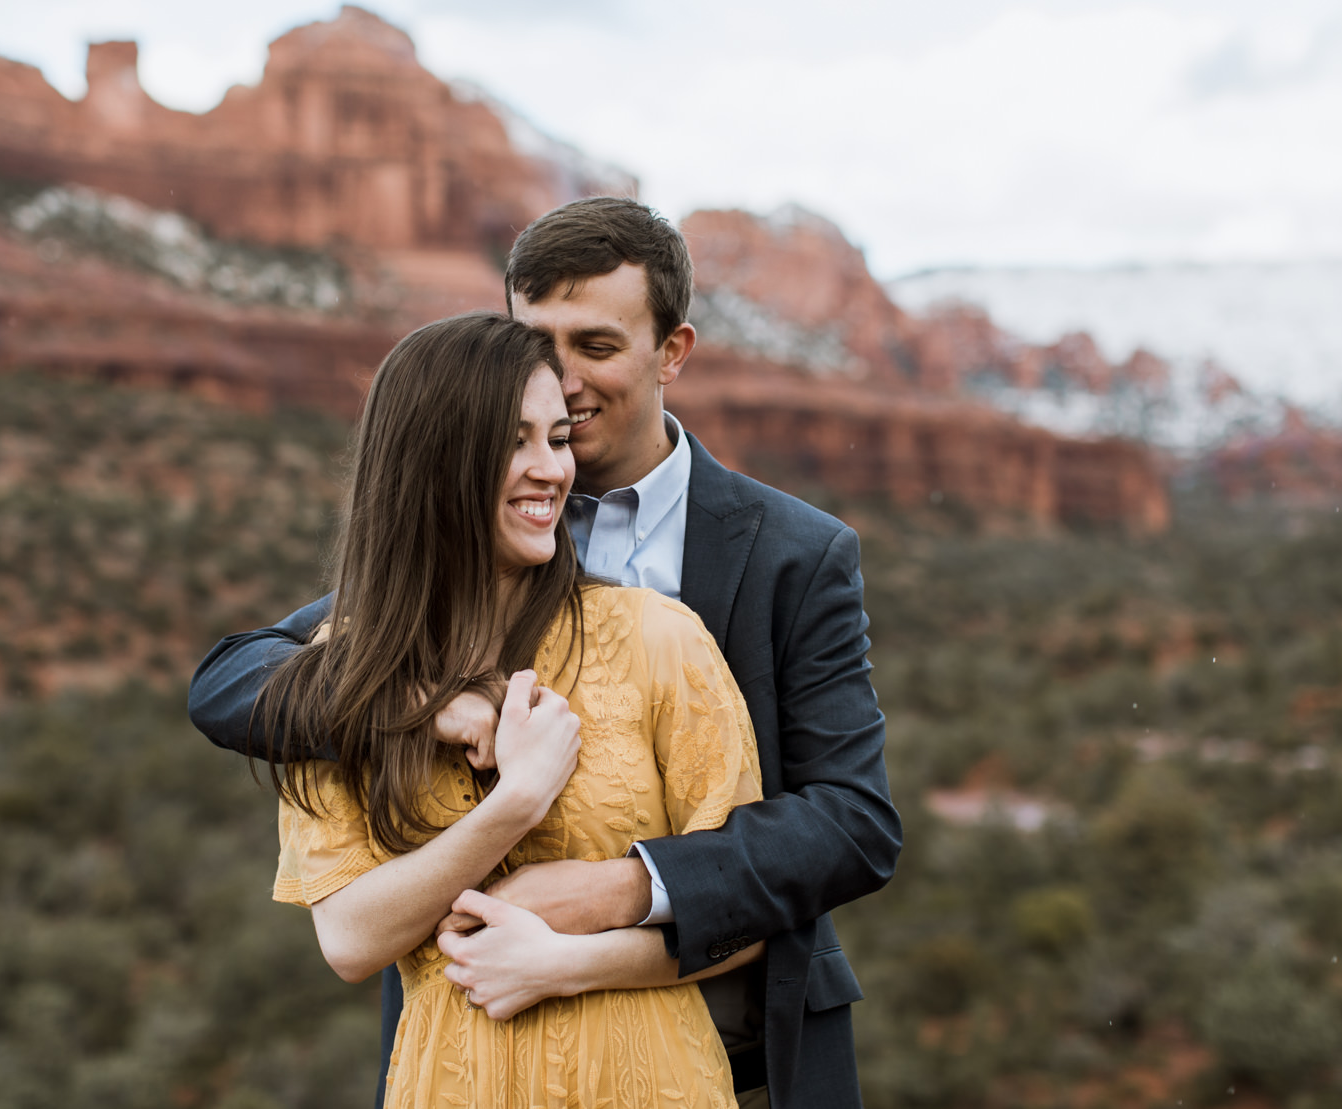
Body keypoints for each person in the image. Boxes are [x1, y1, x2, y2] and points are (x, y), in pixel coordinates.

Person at [192, 197, 901, 1109]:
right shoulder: (471, 542)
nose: (560, 380)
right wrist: (425, 702)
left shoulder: (792, 553)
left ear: (672, 353)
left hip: (743, 1046)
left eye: (596, 347)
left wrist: (618, 891)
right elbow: (234, 681)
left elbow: (850, 820)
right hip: (479, 1045)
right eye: (538, 343)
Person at [257, 312, 765, 1108]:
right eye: (514, 441)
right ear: (432, 459)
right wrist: (515, 804)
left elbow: (744, 913)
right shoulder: (344, 670)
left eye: (558, 438)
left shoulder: (658, 641)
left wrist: (570, 961)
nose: (550, 470)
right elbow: (351, 939)